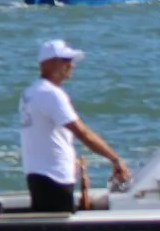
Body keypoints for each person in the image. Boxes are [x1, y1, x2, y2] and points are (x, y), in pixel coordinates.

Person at [19, 38, 130, 212]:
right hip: (55, 177)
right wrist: (115, 159)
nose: (72, 66)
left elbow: (46, 133)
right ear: (51, 63)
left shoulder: (31, 91)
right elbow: (82, 132)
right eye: (67, 61)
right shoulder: (52, 94)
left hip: (37, 173)